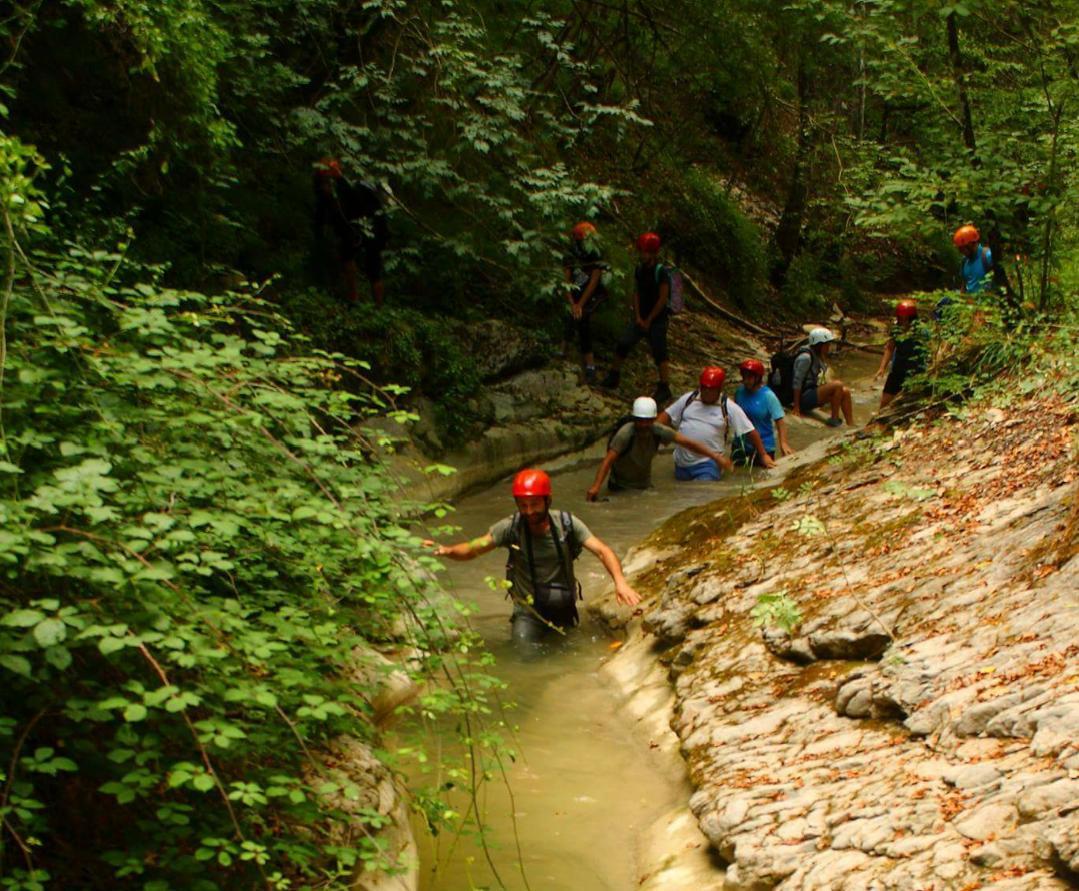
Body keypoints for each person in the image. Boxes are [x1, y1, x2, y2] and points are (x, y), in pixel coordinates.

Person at [428, 469, 641, 644]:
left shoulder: (567, 524)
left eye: (534, 504)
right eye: (523, 505)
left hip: (564, 608)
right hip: (527, 612)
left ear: (547, 500)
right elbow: (474, 548)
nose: (529, 511)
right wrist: (447, 550)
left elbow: (603, 551)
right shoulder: (510, 527)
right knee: (523, 657)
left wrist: (620, 583)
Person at [586, 396, 731, 500]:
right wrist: (596, 487)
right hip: (620, 487)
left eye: (647, 421)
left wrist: (716, 457)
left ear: (653, 420)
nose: (643, 425)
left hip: (644, 485)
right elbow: (608, 461)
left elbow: (689, 443)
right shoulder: (625, 434)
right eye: (640, 421)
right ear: (635, 419)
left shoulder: (658, 431)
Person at [658, 366, 774, 479]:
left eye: (711, 389)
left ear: (719, 389)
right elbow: (665, 416)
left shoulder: (728, 406)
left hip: (709, 464)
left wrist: (763, 455)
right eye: (704, 388)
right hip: (682, 464)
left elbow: (751, 431)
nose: (706, 392)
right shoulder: (689, 399)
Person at [600, 232, 673, 404]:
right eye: (641, 251)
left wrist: (649, 320)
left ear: (653, 253)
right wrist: (639, 316)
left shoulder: (661, 272)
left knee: (659, 351)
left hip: (658, 319)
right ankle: (614, 375)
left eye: (645, 252)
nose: (642, 255)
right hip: (641, 317)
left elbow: (663, 299)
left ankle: (664, 387)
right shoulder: (640, 270)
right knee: (624, 342)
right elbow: (636, 292)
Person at [313, 157, 388, 306]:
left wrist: (339, 178)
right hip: (348, 229)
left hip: (371, 227)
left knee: (374, 268)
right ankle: (353, 299)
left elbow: (356, 200)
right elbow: (322, 207)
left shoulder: (353, 184)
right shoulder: (322, 185)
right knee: (347, 259)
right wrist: (319, 229)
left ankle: (379, 307)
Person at [562, 222, 610, 385]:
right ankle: (562, 353)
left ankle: (590, 367)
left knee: (584, 321)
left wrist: (580, 305)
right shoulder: (571, 255)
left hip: (592, 295)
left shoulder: (595, 255)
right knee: (569, 317)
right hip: (574, 292)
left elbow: (594, 282)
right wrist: (571, 303)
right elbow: (566, 281)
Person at [733, 359, 793, 464]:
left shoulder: (768, 396)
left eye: (750, 377)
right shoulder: (739, 392)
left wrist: (783, 443)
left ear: (758, 378)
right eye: (744, 377)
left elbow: (779, 420)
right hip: (741, 446)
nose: (746, 381)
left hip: (765, 446)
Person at [790, 327, 853, 427]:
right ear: (819, 345)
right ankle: (834, 418)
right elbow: (797, 381)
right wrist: (796, 407)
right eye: (827, 344)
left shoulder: (817, 355)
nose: (829, 347)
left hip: (811, 392)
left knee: (845, 392)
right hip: (803, 397)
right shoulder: (805, 358)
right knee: (838, 384)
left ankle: (851, 425)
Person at [874, 300, 928, 409]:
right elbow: (890, 348)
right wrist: (882, 368)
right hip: (897, 369)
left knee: (908, 403)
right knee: (885, 401)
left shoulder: (921, 331)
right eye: (901, 318)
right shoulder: (896, 329)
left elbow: (929, 349)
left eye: (906, 319)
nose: (903, 321)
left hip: (915, 371)